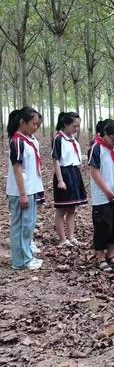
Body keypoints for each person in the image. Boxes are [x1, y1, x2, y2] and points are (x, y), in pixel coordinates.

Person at [6, 107, 44, 270]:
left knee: (28, 224)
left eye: (38, 124)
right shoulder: (17, 141)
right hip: (22, 190)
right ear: (22, 122)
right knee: (21, 225)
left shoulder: (30, 139)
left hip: (32, 188)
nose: (35, 127)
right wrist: (23, 194)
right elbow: (17, 169)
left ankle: (27, 254)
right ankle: (20, 261)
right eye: (33, 124)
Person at [88, 120, 114, 271]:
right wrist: (107, 191)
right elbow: (94, 171)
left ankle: (111, 254)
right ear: (106, 133)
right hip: (102, 197)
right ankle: (100, 256)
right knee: (103, 226)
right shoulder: (96, 148)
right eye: (113, 138)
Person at [52, 112, 87, 246]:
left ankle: (71, 237)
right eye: (74, 126)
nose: (76, 129)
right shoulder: (59, 139)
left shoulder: (73, 139)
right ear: (66, 124)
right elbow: (56, 160)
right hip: (64, 173)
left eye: (78, 126)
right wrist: (60, 180)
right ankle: (62, 239)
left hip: (74, 173)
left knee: (72, 208)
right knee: (61, 209)